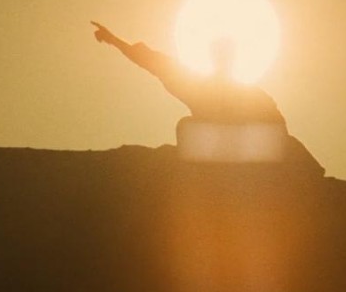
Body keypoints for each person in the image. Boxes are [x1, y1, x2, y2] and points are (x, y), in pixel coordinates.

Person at [91, 21, 324, 176]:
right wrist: (114, 40)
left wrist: (114, 40)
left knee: (187, 126)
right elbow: (152, 61)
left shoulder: (248, 95)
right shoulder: (200, 86)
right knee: (186, 126)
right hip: (220, 156)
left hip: (244, 159)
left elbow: (278, 131)